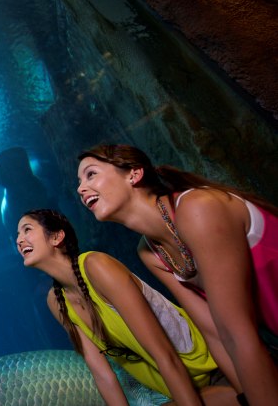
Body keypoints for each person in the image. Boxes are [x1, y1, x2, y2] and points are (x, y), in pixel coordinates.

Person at [77, 144, 278, 406]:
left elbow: (238, 334)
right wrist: (246, 396)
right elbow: (216, 333)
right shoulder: (150, 251)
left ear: (134, 174)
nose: (81, 188)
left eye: (90, 174)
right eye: (79, 182)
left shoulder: (197, 207)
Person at [17, 209, 236, 405]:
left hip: (215, 371)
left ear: (56, 237)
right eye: (17, 234)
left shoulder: (97, 266)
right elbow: (103, 375)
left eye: (27, 229)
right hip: (175, 392)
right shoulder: (56, 301)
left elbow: (163, 353)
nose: (19, 240)